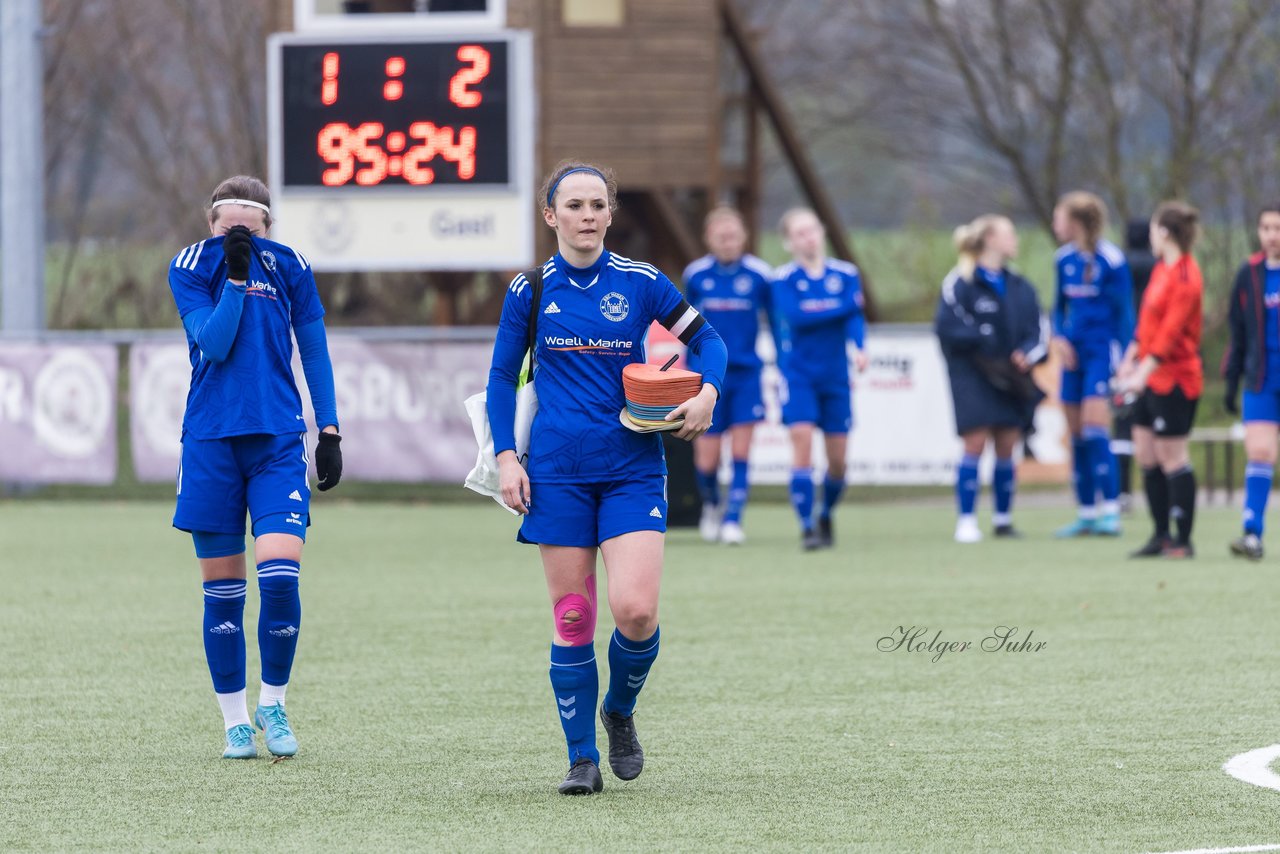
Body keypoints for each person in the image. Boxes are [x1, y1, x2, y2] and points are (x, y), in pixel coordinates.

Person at [486, 160, 726, 795]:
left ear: (610, 214)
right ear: (551, 216)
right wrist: (508, 457)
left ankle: (619, 709)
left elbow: (713, 346)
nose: (586, 216)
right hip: (558, 474)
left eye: (597, 205)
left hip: (632, 470)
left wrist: (706, 395)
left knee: (636, 611)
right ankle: (581, 758)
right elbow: (499, 379)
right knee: (572, 619)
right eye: (574, 206)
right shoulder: (530, 290)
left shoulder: (642, 283)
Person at [168, 175, 342, 759]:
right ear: (211, 225)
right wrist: (236, 281)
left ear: (268, 227)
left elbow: (312, 347)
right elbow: (213, 344)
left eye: (252, 227)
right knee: (222, 594)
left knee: (281, 573)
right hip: (211, 443)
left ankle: (275, 700)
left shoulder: (289, 264)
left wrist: (330, 428)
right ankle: (235, 721)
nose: (239, 235)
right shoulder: (191, 265)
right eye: (227, 228)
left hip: (276, 442)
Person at [935, 215, 1047, 543]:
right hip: (973, 374)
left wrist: (1028, 352)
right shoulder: (959, 283)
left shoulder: (1020, 286)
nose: (1015, 240)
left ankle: (1003, 518)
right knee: (974, 441)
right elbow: (948, 327)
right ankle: (966, 520)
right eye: (1009, 234)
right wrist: (983, 339)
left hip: (1010, 377)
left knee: (1008, 441)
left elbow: (1038, 329)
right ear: (989, 240)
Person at [771, 208, 867, 551]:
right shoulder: (782, 278)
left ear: (822, 232)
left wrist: (859, 346)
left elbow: (856, 320)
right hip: (798, 374)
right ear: (789, 242)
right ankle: (807, 526)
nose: (808, 237)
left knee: (838, 461)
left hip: (836, 376)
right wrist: (845, 307)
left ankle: (826, 512)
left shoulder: (846, 274)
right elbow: (797, 318)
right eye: (800, 233)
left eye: (812, 229)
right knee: (801, 441)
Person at [1116, 201, 1203, 559]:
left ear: (1164, 232)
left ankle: (1183, 540)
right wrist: (1129, 360)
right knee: (1146, 455)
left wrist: (1142, 373)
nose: (1150, 236)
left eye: (1154, 229)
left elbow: (1169, 335)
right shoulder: (1160, 270)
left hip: (1175, 379)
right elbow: (1147, 324)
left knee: (1172, 457)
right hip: (1147, 377)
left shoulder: (1187, 275)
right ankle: (1160, 534)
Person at [682, 206, 774, 545]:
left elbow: (776, 321)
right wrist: (684, 368)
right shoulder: (696, 275)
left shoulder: (760, 275)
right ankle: (711, 505)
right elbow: (684, 326)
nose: (728, 242)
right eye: (721, 237)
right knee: (706, 456)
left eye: (733, 236)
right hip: (705, 377)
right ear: (709, 239)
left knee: (741, 450)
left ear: (744, 237)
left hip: (747, 374)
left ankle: (734, 519)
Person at [1050, 192, 1135, 538]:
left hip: (1102, 352)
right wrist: (1058, 336)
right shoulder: (1062, 259)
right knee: (1077, 435)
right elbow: (1057, 307)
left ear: (1077, 221)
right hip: (1074, 354)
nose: (1056, 224)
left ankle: (1111, 510)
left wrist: (1125, 359)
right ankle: (1086, 512)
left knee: (1096, 428)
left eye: (1060, 217)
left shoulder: (1112, 260)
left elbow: (1125, 314)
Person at [1223, 202, 1280, 560]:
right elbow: (1237, 330)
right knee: (1259, 452)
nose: (1273, 236)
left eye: (1278, 228)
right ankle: (1252, 533)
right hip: (1261, 379)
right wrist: (1231, 379)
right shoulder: (1249, 273)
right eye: (1267, 228)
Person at [1114, 220, 1158, 511]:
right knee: (1153, 422)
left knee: (1123, 423)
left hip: (1127, 349)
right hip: (1153, 349)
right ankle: (1158, 488)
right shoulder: (1159, 265)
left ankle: (1123, 493)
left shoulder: (1120, 264)